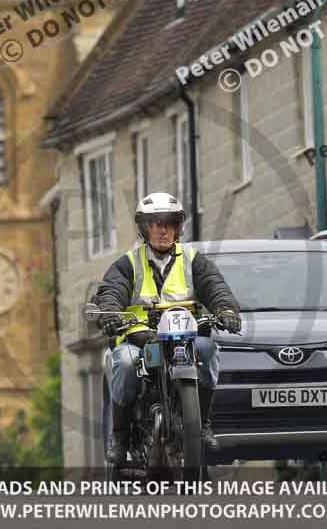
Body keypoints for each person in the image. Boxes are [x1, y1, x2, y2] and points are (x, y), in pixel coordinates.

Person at [94, 192, 241, 466]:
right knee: (125, 364)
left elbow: (214, 286)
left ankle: (203, 424)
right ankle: (121, 437)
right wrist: (111, 314)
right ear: (144, 228)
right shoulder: (129, 263)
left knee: (208, 350)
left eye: (169, 223)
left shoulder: (193, 259)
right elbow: (112, 291)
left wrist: (226, 310)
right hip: (139, 337)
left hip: (185, 337)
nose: (162, 230)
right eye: (155, 224)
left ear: (177, 227)